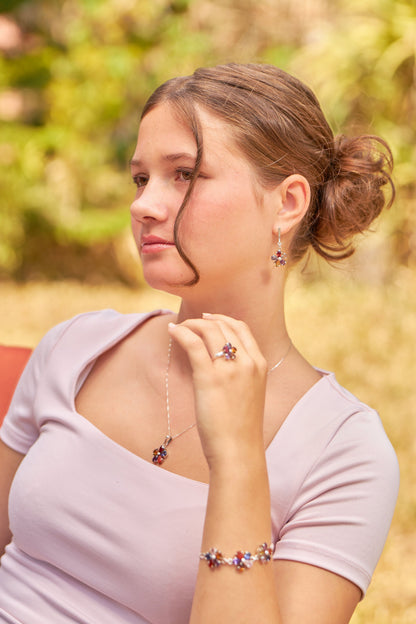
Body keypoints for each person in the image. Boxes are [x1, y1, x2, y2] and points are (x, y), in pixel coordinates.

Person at [0, 63, 399, 624]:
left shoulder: (344, 453)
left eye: (184, 174)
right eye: (141, 178)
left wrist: (237, 458)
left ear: (286, 204)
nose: (143, 205)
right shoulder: (77, 348)